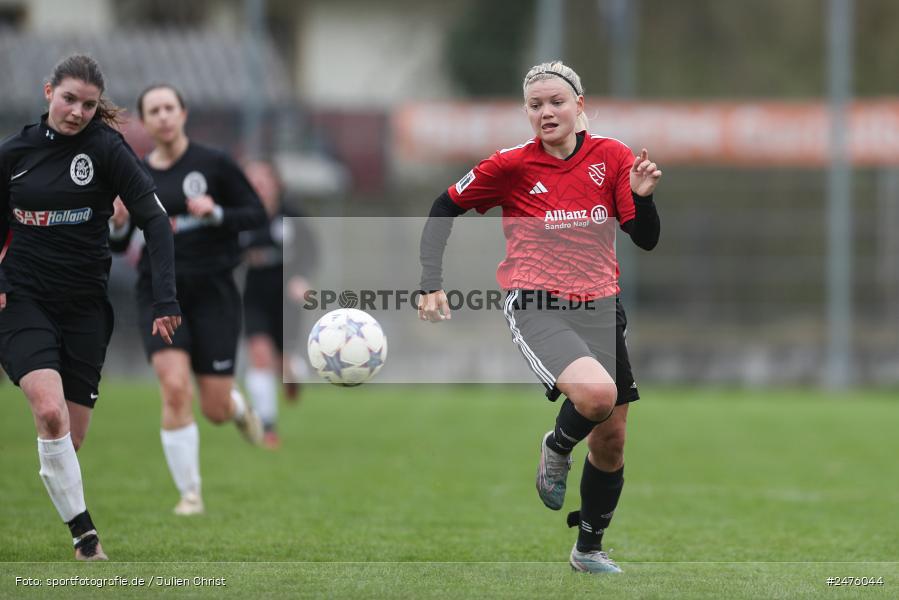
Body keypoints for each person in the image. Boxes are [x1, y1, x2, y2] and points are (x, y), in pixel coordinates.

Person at [417, 61, 661, 573]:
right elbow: (444, 206)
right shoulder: (510, 166)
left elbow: (645, 237)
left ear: (579, 105)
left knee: (612, 440)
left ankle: (588, 550)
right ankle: (556, 445)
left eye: (556, 102)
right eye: (535, 105)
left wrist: (643, 198)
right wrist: (430, 283)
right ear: (526, 112)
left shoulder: (612, 157)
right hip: (537, 302)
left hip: (601, 305)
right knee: (596, 396)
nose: (546, 112)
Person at [0, 55, 181, 560]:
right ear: (47, 92)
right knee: (49, 411)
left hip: (84, 310)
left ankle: (69, 506)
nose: (77, 112)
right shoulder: (14, 154)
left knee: (69, 440)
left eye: (88, 104)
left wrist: (165, 297)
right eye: (69, 99)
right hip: (22, 300)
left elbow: (156, 221)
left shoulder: (106, 150)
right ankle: (86, 538)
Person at [110, 83, 267, 516]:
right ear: (143, 121)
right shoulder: (134, 174)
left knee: (214, 408)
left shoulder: (214, 164)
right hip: (160, 293)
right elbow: (121, 247)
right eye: (153, 110)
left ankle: (236, 407)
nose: (162, 116)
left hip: (214, 291)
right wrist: (119, 224)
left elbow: (256, 214)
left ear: (183, 113)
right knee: (175, 388)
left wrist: (216, 213)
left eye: (169, 107)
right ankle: (191, 494)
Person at [239, 160, 317, 449]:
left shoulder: (292, 215)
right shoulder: (242, 215)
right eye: (251, 180)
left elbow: (311, 251)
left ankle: (294, 376)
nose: (257, 185)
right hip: (255, 295)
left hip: (286, 297)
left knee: (285, 365)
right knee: (260, 356)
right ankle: (267, 427)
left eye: (263, 179)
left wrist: (302, 278)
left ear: (276, 183)